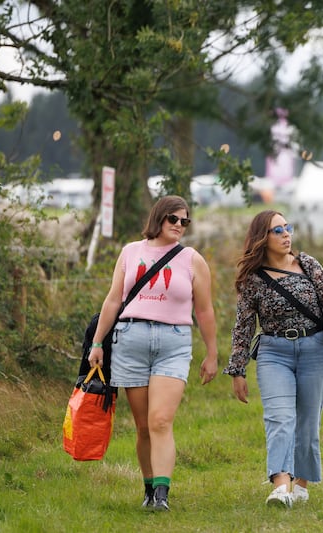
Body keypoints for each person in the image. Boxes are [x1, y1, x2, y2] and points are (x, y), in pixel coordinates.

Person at [88, 195, 219, 512]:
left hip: (172, 342)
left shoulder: (191, 259)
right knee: (143, 425)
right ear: (158, 217)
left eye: (184, 221)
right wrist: (96, 343)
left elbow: (204, 311)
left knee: (161, 420)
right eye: (173, 219)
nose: (179, 225)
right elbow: (112, 301)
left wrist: (212, 354)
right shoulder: (131, 252)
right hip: (130, 339)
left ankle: (162, 495)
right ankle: (148, 488)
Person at [223, 210, 323, 508]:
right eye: (277, 230)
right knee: (279, 418)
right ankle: (281, 486)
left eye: (287, 228)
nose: (286, 234)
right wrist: (237, 370)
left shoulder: (307, 264)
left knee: (307, 421)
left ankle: (301, 482)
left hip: (316, 348)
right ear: (262, 238)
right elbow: (244, 325)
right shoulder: (253, 279)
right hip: (274, 353)